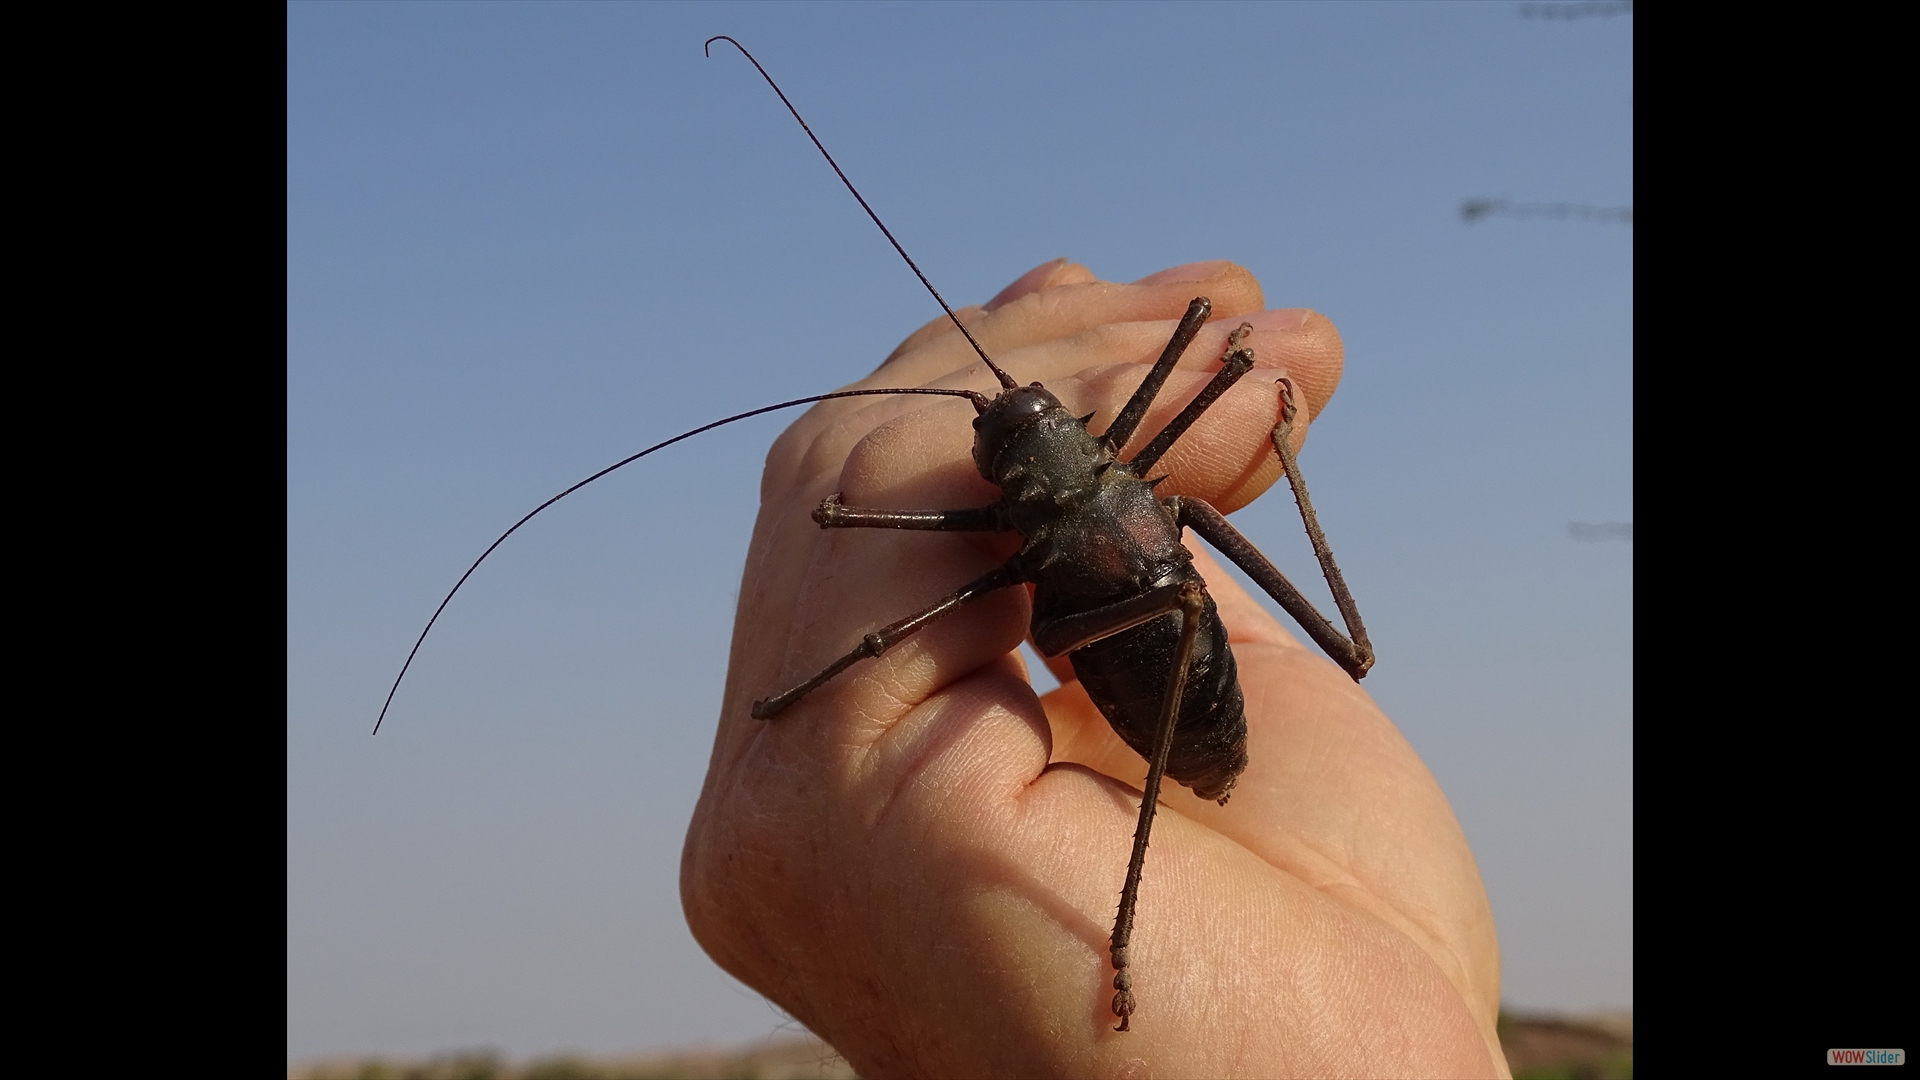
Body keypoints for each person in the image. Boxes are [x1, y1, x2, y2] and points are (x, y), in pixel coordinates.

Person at [680, 258, 1509, 1078]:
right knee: (1177, 513)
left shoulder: (1057, 506)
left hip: (1175, 670)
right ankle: (1121, 929)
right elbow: (845, 526)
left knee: (1210, 546)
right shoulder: (1098, 471)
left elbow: (841, 528)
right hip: (1141, 643)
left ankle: (1122, 931)